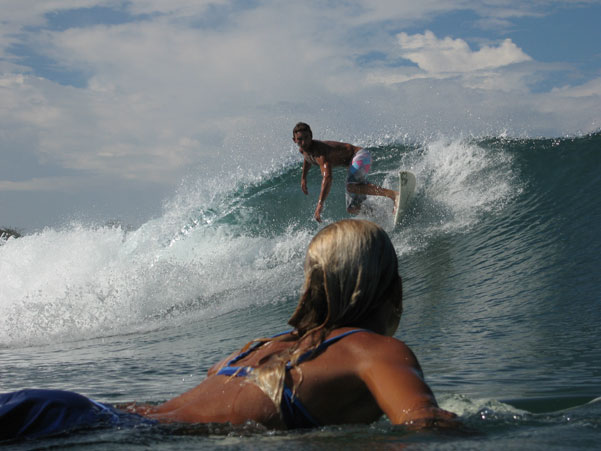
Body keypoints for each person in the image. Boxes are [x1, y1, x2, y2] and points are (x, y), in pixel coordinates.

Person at [0, 220, 457, 440]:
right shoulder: (377, 351)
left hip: (72, 409)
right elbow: (424, 428)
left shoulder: (262, 347)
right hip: (86, 427)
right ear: (388, 284)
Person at [292, 122, 399, 222]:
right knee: (352, 208)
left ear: (311, 135)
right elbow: (307, 159)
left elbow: (328, 177)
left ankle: (393, 195)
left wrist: (320, 204)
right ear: (294, 140)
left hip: (360, 156)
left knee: (351, 186)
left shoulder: (320, 153)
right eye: (300, 139)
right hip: (354, 163)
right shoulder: (303, 150)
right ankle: (382, 214)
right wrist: (303, 178)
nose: (304, 142)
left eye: (306, 137)